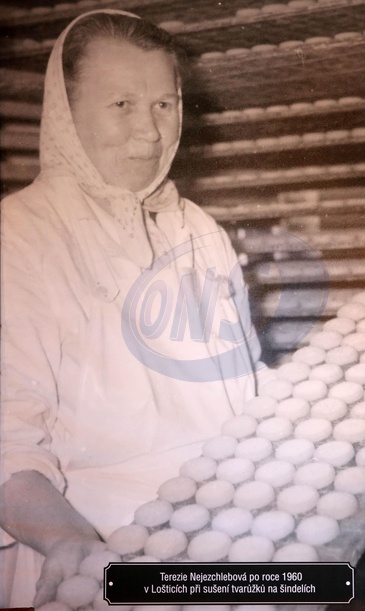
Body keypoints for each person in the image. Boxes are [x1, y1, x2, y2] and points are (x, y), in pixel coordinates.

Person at [0, 10, 272, 607]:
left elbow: (245, 384)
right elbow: (7, 445)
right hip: (97, 558)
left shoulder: (196, 228)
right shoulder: (17, 236)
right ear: (67, 114)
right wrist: (70, 543)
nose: (149, 132)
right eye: (121, 104)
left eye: (163, 105)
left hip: (225, 540)